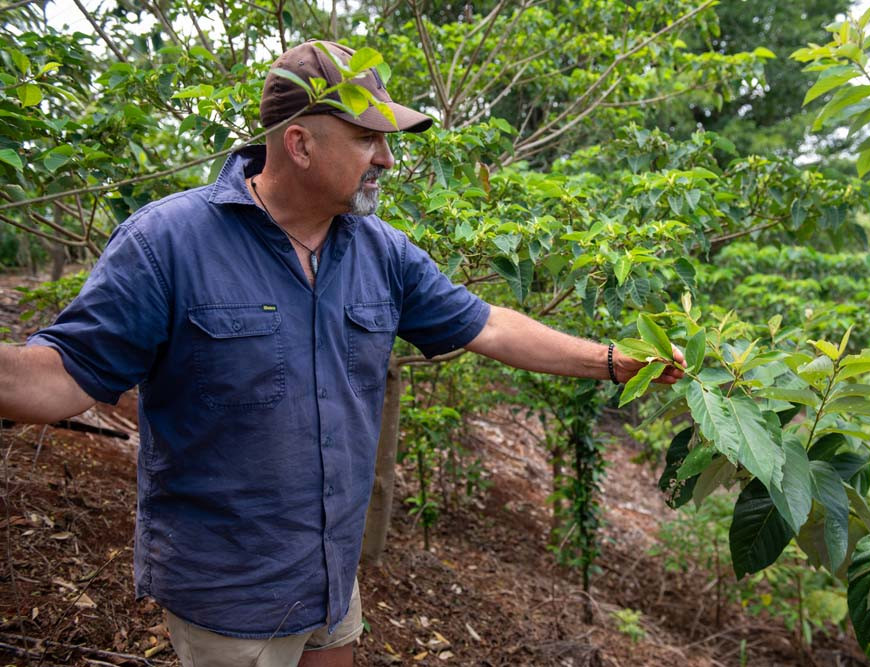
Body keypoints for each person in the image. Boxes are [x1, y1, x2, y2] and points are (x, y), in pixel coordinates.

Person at [0, 41, 685, 667]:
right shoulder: (168, 245)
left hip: (329, 578)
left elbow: (489, 325)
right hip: (229, 596)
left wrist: (610, 358)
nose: (386, 158)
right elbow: (58, 378)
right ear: (298, 143)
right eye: (367, 139)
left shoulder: (378, 251)